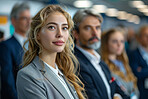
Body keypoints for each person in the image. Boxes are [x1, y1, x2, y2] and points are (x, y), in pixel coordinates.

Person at [16, 5, 86, 99]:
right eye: (52, 27)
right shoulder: (28, 75)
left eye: (64, 28)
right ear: (37, 34)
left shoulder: (63, 72)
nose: (60, 34)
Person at [72, 9, 129, 99]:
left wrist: (117, 95)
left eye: (97, 28)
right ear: (75, 33)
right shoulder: (76, 63)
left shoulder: (99, 61)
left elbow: (119, 91)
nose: (95, 33)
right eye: (88, 28)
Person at [0, 2, 31, 99]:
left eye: (30, 18)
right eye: (24, 18)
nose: (29, 22)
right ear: (14, 20)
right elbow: (7, 80)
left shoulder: (32, 45)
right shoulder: (6, 46)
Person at [100, 28, 139, 99]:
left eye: (122, 41)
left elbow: (134, 88)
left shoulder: (123, 63)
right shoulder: (103, 66)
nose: (119, 44)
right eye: (115, 41)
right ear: (106, 43)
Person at [128, 25, 148, 99]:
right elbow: (136, 74)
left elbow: (141, 72)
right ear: (139, 38)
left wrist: (143, 70)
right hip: (141, 93)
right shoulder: (133, 54)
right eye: (145, 35)